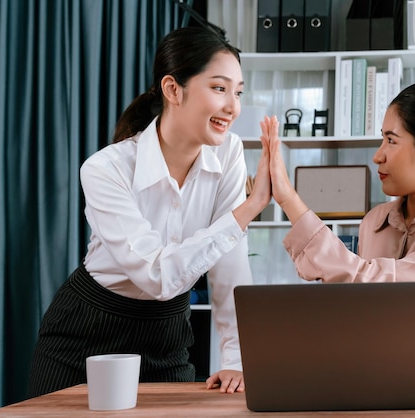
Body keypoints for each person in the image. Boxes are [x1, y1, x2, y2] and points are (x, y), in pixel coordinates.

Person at [28, 26, 271, 397]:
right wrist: (248, 210)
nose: (232, 106)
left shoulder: (228, 152)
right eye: (219, 88)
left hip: (166, 335)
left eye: (238, 92)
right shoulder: (105, 168)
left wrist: (236, 358)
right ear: (173, 89)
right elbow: (156, 276)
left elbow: (230, 265)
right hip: (85, 332)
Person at [261, 80, 415, 376]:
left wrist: (288, 199)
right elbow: (359, 309)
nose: (377, 155)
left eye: (391, 140)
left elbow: (381, 289)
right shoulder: (375, 221)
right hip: (374, 374)